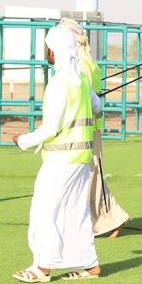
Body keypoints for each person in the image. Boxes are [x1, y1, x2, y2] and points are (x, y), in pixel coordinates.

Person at [11, 26, 102, 282]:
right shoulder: (81, 79)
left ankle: (42, 268)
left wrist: (23, 141)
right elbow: (99, 108)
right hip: (82, 159)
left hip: (60, 160)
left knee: (43, 211)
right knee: (76, 212)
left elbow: (50, 128)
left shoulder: (58, 84)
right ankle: (90, 265)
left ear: (53, 51)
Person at [57, 18, 131, 238]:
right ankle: (101, 220)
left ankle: (112, 218)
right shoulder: (87, 60)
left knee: (90, 175)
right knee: (88, 175)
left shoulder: (78, 62)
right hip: (87, 126)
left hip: (81, 128)